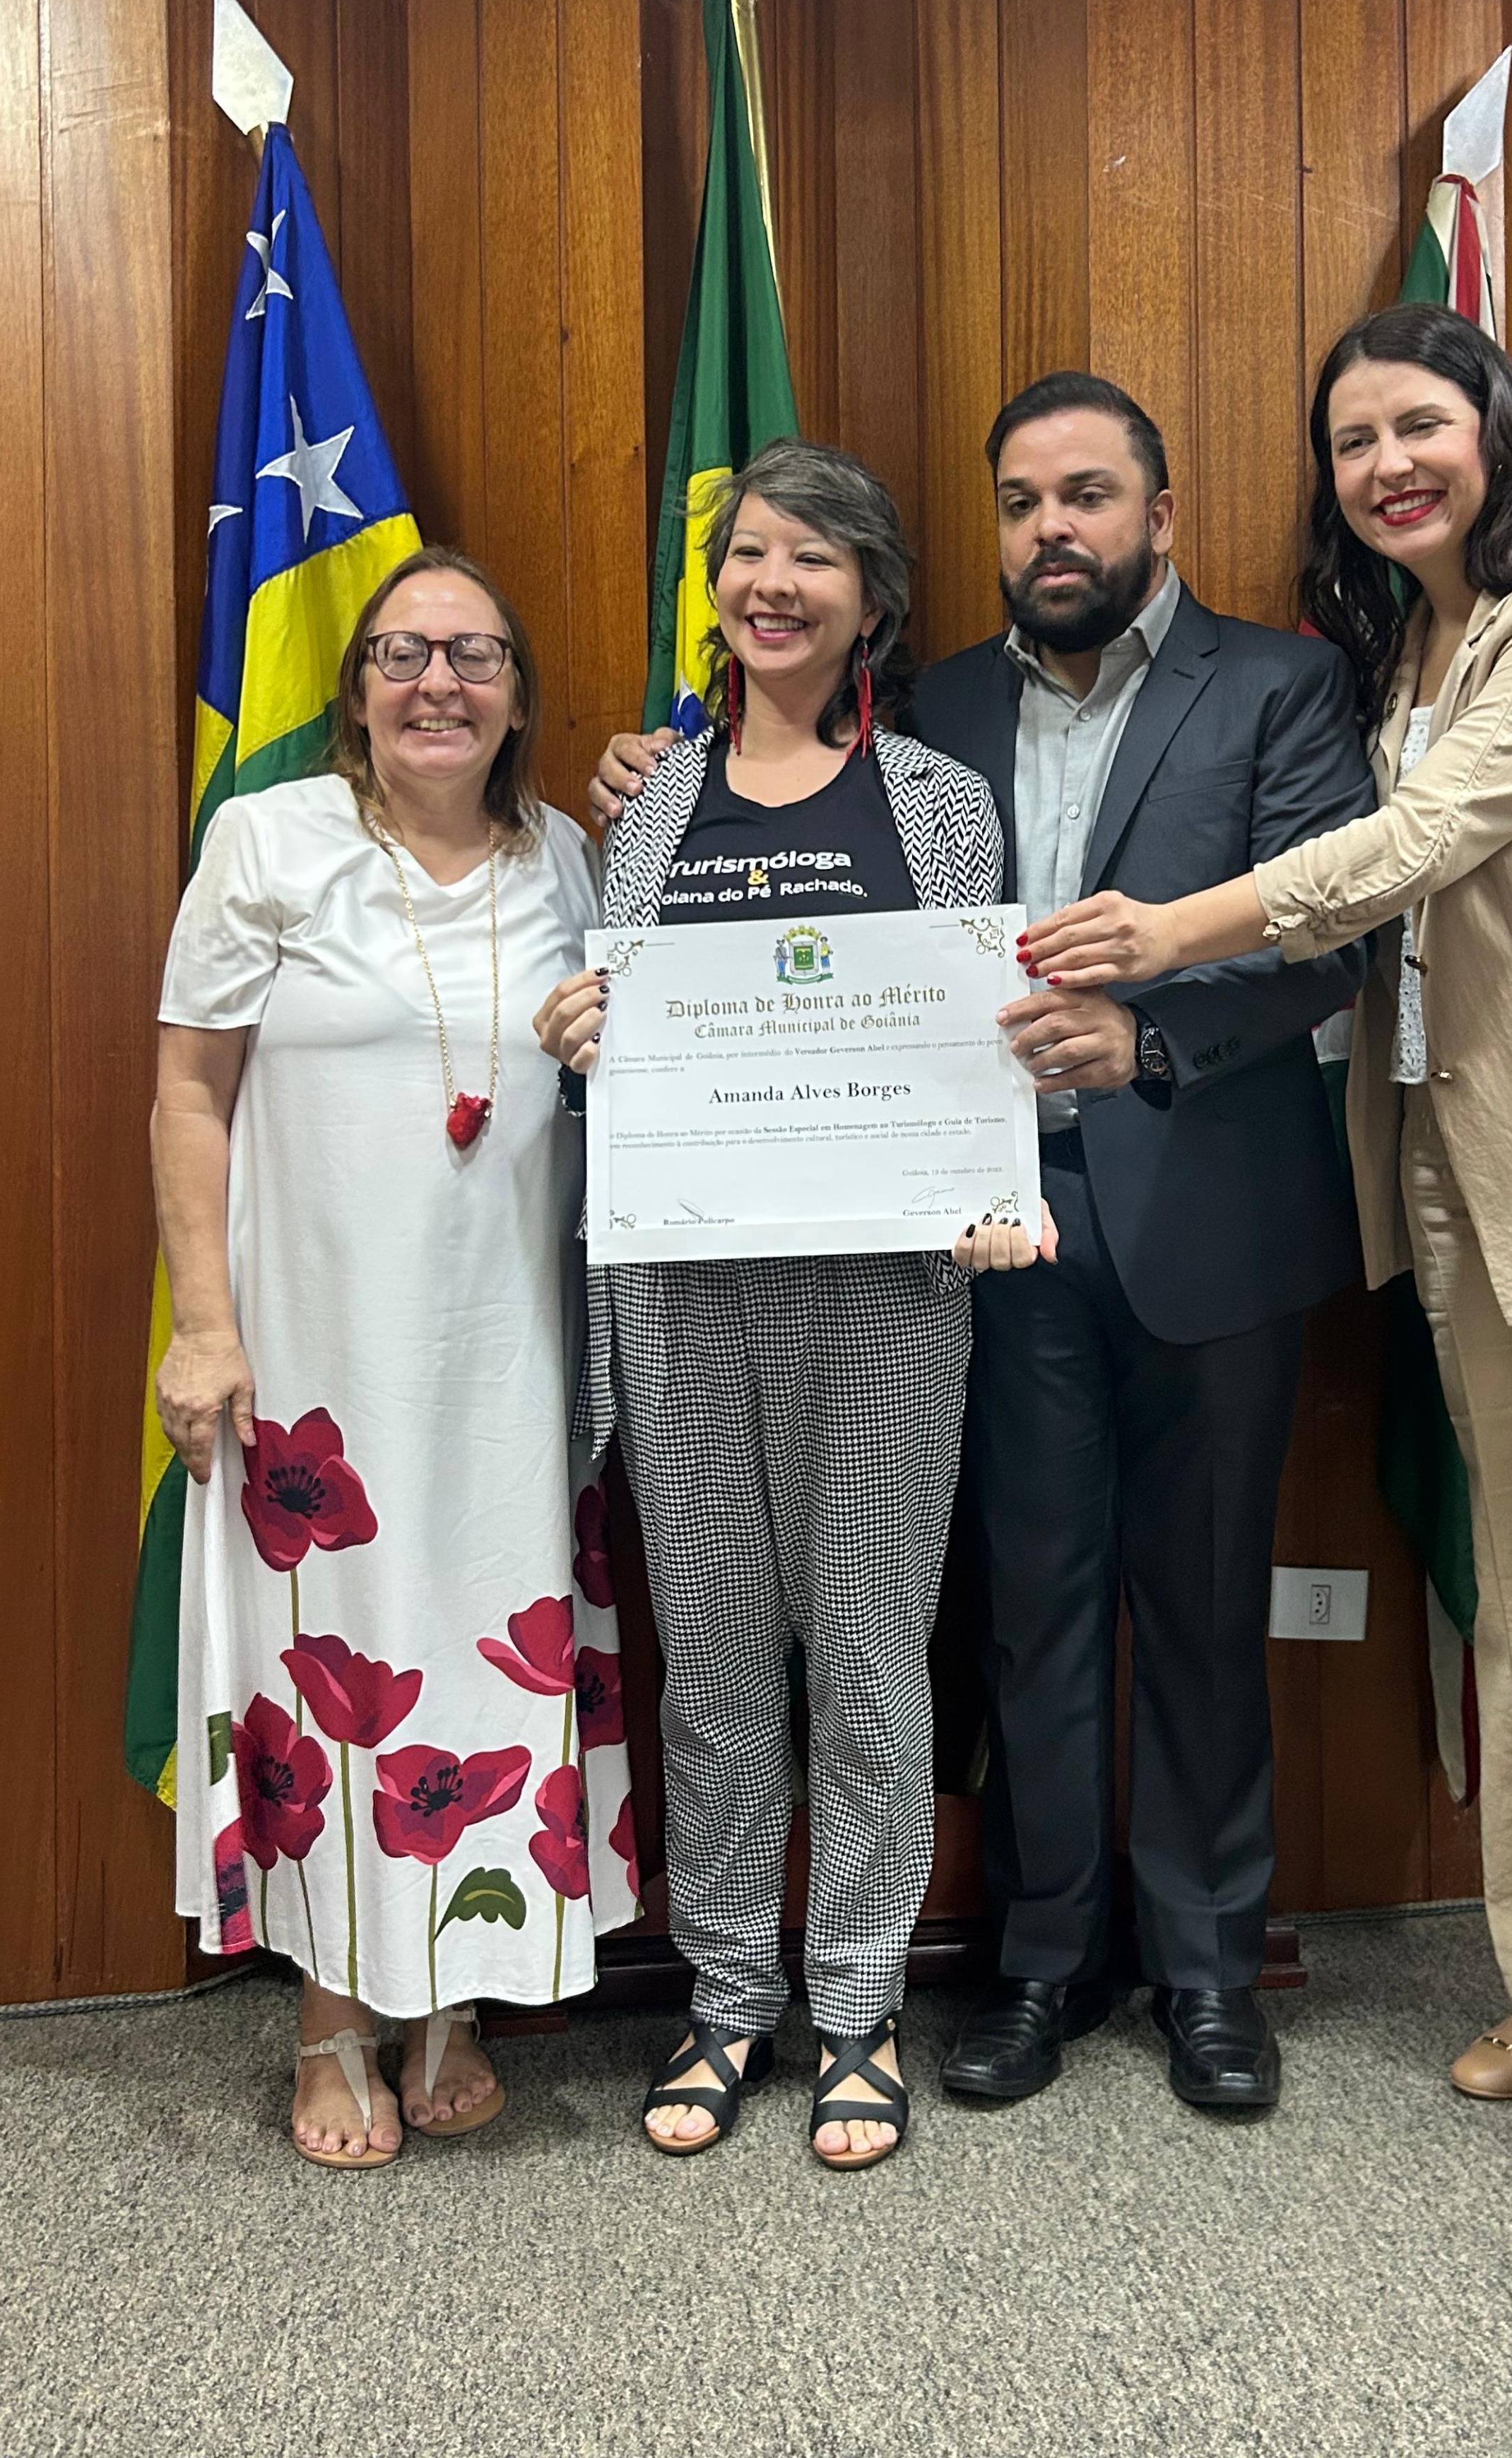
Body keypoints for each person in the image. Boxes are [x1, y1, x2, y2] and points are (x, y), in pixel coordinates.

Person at [1022, 305, 1512, 2208]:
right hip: (1468, 1173)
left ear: (1494, 431)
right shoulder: (1409, 654)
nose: (1389, 464)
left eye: (1420, 425)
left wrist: (1165, 932)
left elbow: (1424, 844)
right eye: (1355, 439)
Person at [591, 374, 1375, 2117]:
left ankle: (1206, 1967)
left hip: (1205, 1209)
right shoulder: (934, 711)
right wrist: (643, 776)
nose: (1053, 529)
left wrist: (1151, 1035)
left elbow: (1332, 931)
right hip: (980, 1232)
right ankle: (1038, 1961)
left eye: (1087, 495)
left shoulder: (1282, 684)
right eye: (1022, 503)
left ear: (1159, 513)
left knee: (1202, 1608)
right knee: (1029, 1612)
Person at [541, 438, 1010, 2172]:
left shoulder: (942, 800)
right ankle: (729, 1991)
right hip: (682, 1289)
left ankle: (859, 2003)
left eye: (815, 556)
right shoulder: (652, 801)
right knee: (719, 1661)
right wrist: (584, 1035)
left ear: (872, 598)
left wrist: (988, 1180)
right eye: (749, 552)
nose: (774, 582)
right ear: (719, 586)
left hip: (885, 1299)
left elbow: (975, 1042)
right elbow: (624, 1042)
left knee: (872, 1659)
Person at [152, 546, 635, 2171]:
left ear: (518, 696)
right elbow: (189, 1093)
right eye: (404, 654)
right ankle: (332, 2012)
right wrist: (203, 1326)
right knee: (334, 1658)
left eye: (476, 655)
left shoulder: (570, 858)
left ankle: (456, 1998)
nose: (440, 682)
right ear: (356, 692)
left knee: (484, 1647)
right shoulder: (270, 840)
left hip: (510, 1349)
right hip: (319, 1366)